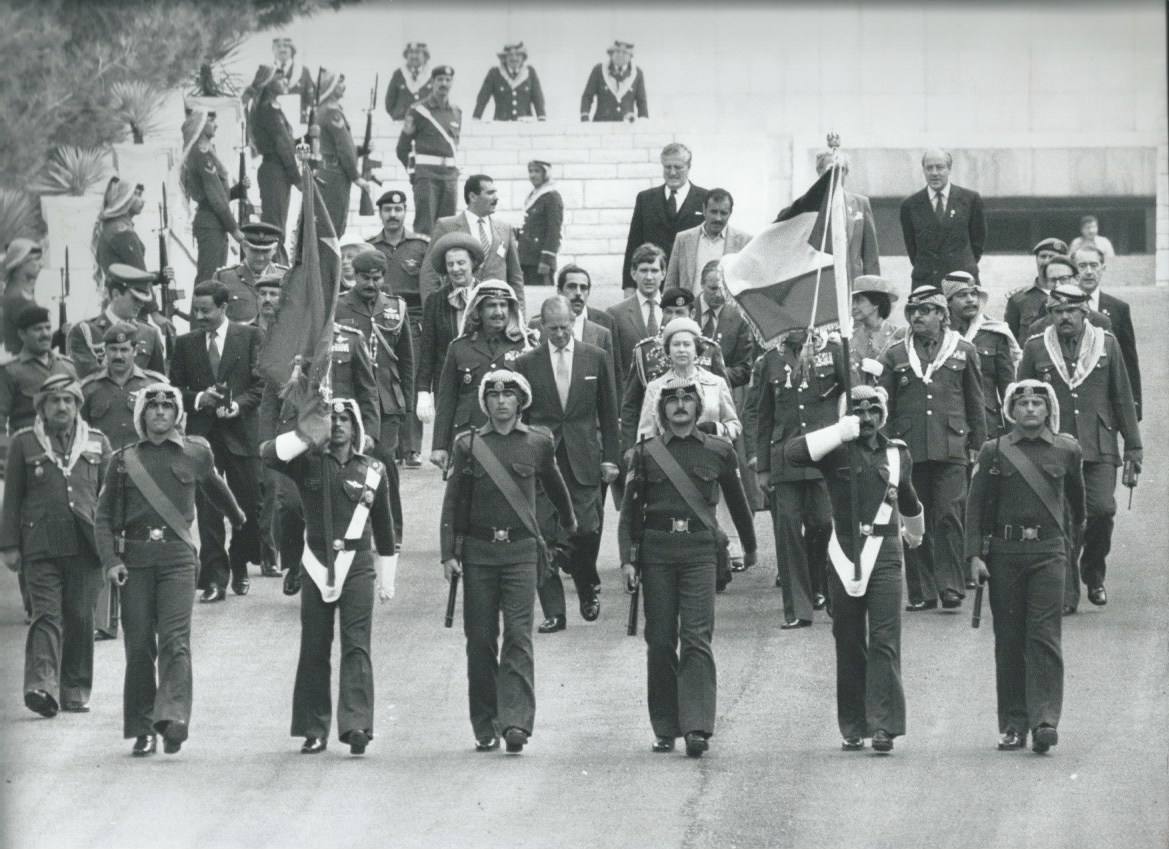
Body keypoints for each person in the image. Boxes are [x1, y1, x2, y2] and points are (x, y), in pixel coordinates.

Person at [94, 382, 245, 756]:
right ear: (141, 415)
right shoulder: (123, 460)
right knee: (140, 645)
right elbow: (103, 518)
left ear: (177, 414)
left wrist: (240, 518)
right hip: (135, 562)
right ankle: (143, 728)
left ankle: (173, 719)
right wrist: (111, 562)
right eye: (152, 407)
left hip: (178, 559)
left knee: (176, 641)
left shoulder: (196, 452)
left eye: (167, 406)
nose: (160, 412)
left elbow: (215, 487)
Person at [439, 369, 576, 753]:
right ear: (485, 402)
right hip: (480, 555)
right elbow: (452, 503)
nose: (501, 401)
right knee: (480, 640)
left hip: (520, 554)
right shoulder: (467, 445)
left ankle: (516, 722)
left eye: (509, 395)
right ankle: (486, 723)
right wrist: (449, 553)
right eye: (494, 395)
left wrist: (568, 524)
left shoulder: (538, 442)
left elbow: (554, 484)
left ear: (521, 401)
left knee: (518, 636)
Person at [619, 378, 755, 757]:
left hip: (699, 551)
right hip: (657, 552)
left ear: (699, 407)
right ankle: (665, 726)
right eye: (672, 400)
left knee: (696, 636)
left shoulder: (718, 451)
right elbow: (630, 512)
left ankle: (697, 727)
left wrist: (751, 546)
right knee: (660, 641)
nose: (680, 405)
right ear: (661, 410)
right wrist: (627, 560)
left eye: (687, 399)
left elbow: (739, 503)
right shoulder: (644, 454)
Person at [784, 386, 924, 753]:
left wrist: (916, 532)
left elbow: (907, 496)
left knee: (884, 638)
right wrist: (837, 432)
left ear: (883, 414)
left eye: (873, 410)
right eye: (858, 411)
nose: (866, 418)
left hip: (886, 553)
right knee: (847, 640)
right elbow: (793, 454)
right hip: (844, 553)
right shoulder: (835, 450)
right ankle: (854, 724)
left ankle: (884, 727)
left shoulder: (897, 454)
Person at [261, 397, 396, 755]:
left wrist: (388, 578)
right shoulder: (306, 464)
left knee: (356, 645)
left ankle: (357, 726)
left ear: (355, 427)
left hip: (358, 565)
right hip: (316, 563)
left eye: (344, 420)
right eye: (330, 419)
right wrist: (306, 435)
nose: (337, 425)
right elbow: (268, 454)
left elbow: (385, 528)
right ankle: (313, 728)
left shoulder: (374, 470)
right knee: (315, 645)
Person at [966, 380, 1085, 754]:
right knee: (1010, 640)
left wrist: (1067, 550)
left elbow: (1077, 509)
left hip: (1049, 553)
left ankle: (1045, 721)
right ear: (1011, 412)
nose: (1031, 409)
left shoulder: (1067, 450)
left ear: (1049, 409)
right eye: (1023, 404)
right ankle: (1014, 724)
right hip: (1004, 555)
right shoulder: (994, 451)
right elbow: (975, 505)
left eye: (1038, 403)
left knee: (1045, 637)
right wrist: (974, 556)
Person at [1017, 284, 1141, 614]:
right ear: (1050, 315)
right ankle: (1067, 593)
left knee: (1102, 510)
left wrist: (1133, 447)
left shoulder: (1107, 345)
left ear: (1085, 311)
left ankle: (1093, 572)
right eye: (1057, 311)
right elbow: (1019, 400)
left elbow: (1122, 398)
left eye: (1071, 310)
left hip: (1099, 444)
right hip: (1054, 446)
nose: (1064, 317)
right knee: (1063, 520)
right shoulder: (1035, 348)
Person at [0, 374, 110, 717]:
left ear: (78, 404)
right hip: (40, 546)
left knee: (80, 617)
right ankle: (41, 686)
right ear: (42, 408)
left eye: (68, 400)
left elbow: (110, 499)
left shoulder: (96, 441)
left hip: (85, 545)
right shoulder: (24, 443)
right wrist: (9, 546)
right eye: (53, 401)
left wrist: (114, 547)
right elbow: (12, 499)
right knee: (46, 615)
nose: (61, 406)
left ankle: (74, 689)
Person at [877, 284, 985, 610]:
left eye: (924, 311)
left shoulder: (964, 350)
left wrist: (978, 445)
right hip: (909, 448)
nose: (917, 317)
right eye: (912, 312)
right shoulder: (894, 354)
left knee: (950, 514)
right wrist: (884, 448)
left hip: (953, 445)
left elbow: (975, 401)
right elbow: (886, 406)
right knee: (914, 518)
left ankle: (951, 586)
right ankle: (923, 590)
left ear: (941, 314)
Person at [515, 296, 619, 633]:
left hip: (584, 457)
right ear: (541, 326)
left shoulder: (596, 357)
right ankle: (555, 612)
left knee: (586, 529)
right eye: (553, 328)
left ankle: (587, 583)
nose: (560, 334)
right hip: (544, 461)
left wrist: (610, 458)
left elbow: (609, 411)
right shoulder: (527, 363)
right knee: (542, 536)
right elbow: (524, 416)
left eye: (565, 327)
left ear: (574, 322)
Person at [261, 318, 379, 598]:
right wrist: (266, 440)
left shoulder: (350, 339)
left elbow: (367, 389)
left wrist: (370, 430)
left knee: (341, 504)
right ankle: (293, 564)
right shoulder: (285, 340)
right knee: (289, 505)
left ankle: (343, 568)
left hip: (341, 434)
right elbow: (270, 398)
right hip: (297, 437)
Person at [168, 282, 264, 601]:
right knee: (208, 510)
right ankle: (214, 580)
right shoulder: (185, 343)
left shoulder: (250, 337)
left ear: (224, 308)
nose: (198, 316)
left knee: (248, 506)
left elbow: (261, 385)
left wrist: (238, 405)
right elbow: (174, 389)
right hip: (201, 437)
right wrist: (199, 399)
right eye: (196, 310)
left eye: (205, 310)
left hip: (240, 435)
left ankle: (239, 564)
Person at [753, 328, 847, 627]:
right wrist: (763, 467)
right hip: (785, 457)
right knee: (788, 530)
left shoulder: (833, 351)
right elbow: (763, 415)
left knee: (823, 523)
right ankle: (798, 610)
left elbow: (851, 401)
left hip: (826, 456)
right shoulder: (770, 360)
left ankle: (823, 584)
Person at [80, 323, 168, 639]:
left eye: (124, 349)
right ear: (104, 351)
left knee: (146, 543)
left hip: (142, 477)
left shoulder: (154, 385)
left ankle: (150, 613)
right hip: (103, 478)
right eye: (112, 349)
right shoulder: (88, 389)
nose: (118, 355)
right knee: (103, 542)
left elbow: (168, 428)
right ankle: (104, 622)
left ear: (135, 350)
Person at [335, 249, 414, 547]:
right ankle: (353, 527)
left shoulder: (396, 308)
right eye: (364, 277)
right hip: (350, 398)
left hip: (386, 401)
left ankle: (392, 530)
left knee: (382, 460)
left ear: (384, 277)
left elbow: (406, 359)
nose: (370, 283)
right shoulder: (339, 306)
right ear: (354, 276)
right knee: (351, 463)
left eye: (376, 278)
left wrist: (407, 400)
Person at [430, 280, 535, 465]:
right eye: (491, 306)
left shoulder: (526, 347)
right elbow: (447, 399)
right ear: (478, 310)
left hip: (512, 437)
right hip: (469, 437)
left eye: (503, 305)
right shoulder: (459, 348)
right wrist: (439, 445)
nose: (498, 312)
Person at [414, 233, 485, 442]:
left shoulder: (488, 294)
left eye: (461, 262)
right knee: (452, 439)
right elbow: (428, 348)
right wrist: (423, 391)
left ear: (473, 263)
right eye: (451, 264)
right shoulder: (436, 301)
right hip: (448, 381)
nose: (456, 269)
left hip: (482, 377)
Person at [420, 174, 525, 311]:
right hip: (458, 308)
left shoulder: (505, 229)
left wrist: (520, 315)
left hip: (496, 311)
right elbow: (429, 273)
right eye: (490, 193)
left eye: (495, 192)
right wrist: (432, 312)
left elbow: (515, 277)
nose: (496, 198)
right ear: (473, 197)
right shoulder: (447, 226)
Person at [943, 271, 1020, 440]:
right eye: (963, 295)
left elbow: (1008, 388)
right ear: (948, 302)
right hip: (949, 428)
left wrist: (1013, 433)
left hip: (988, 425)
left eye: (974, 294)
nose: (971, 300)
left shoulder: (994, 333)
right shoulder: (941, 335)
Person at [622, 144, 708, 293]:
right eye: (667, 167)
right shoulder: (646, 199)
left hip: (689, 285)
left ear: (689, 166)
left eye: (678, 167)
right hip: (652, 283)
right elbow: (634, 244)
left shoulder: (704, 199)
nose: (672, 172)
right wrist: (629, 286)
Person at [1071, 246, 1141, 420]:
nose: (1088, 272)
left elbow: (1128, 360)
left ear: (1103, 268)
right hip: (1070, 400)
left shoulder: (1118, 309)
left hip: (1105, 400)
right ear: (1073, 270)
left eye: (1094, 265)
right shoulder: (1059, 308)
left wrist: (1134, 405)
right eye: (1082, 266)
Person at [899, 148, 987, 287]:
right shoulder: (910, 205)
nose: (934, 173)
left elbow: (978, 240)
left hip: (962, 280)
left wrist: (962, 264)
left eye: (939, 167)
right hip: (927, 281)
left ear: (949, 168)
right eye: (929, 168)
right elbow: (912, 247)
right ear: (923, 170)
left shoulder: (970, 199)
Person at [180, 110, 247, 285]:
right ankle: (198, 313)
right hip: (211, 223)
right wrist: (234, 228)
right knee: (208, 280)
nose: (215, 124)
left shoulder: (207, 152)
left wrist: (239, 189)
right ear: (200, 125)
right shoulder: (201, 154)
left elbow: (218, 194)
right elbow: (215, 198)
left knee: (215, 280)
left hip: (215, 223)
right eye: (211, 120)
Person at [66, 264, 166, 379]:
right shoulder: (84, 332)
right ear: (116, 295)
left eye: (143, 299)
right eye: (136, 298)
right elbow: (84, 379)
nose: (141, 304)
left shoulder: (150, 334)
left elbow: (158, 384)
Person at [395, 65, 461, 236]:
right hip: (426, 178)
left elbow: (454, 146)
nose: (444, 83)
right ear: (432, 82)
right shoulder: (418, 110)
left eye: (448, 80)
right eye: (440, 79)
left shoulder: (456, 112)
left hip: (450, 177)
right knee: (425, 226)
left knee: (448, 226)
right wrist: (414, 173)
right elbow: (402, 147)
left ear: (452, 83)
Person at [1, 306, 79, 433]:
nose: (45, 334)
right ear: (22, 334)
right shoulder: (9, 371)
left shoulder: (68, 367)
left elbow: (79, 412)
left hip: (66, 448)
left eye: (48, 328)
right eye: (38, 329)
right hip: (29, 448)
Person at [315, 69, 371, 238]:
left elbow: (339, 147)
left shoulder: (326, 109)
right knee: (334, 226)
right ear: (331, 86)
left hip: (330, 172)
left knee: (330, 224)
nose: (343, 86)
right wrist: (356, 177)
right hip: (335, 175)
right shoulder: (332, 111)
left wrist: (361, 150)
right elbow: (344, 147)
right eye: (339, 82)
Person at [664, 189, 752, 294]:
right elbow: (671, 282)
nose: (718, 218)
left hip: (727, 309)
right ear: (704, 210)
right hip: (691, 307)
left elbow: (749, 285)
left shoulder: (745, 242)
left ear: (730, 213)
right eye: (713, 212)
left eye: (723, 213)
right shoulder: (683, 239)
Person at [249, 65, 300, 236]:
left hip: (278, 172)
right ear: (267, 82)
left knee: (278, 227)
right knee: (275, 229)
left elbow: (287, 142)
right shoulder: (268, 111)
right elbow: (283, 146)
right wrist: (297, 178)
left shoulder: (273, 110)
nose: (285, 81)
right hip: (275, 172)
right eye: (279, 77)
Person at [815, 149, 880, 281]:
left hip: (853, 285)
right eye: (831, 169)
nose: (837, 174)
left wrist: (873, 294)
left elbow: (870, 258)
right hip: (820, 284)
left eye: (842, 169)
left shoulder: (861, 204)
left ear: (846, 172)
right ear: (819, 172)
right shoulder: (808, 207)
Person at [608, 243, 667, 379]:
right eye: (643, 270)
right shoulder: (616, 314)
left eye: (654, 271)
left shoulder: (674, 311)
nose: (649, 277)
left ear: (663, 273)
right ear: (633, 273)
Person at [210, 222, 288, 324]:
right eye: (255, 251)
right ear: (244, 247)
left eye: (265, 252)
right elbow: (213, 321)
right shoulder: (223, 278)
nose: (260, 258)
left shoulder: (286, 278)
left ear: (274, 250)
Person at [1004, 238, 1069, 343]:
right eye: (1043, 256)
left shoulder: (1073, 296)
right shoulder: (1019, 299)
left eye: (1052, 257)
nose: (1046, 261)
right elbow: (1010, 341)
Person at [517, 160, 563, 289]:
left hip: (540, 261)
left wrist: (546, 260)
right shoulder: (534, 195)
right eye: (530, 171)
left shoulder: (551, 196)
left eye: (537, 171)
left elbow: (554, 231)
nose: (533, 175)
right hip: (527, 259)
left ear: (545, 174)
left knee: (541, 296)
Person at [473, 42, 546, 121]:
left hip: (525, 125)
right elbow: (483, 98)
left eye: (518, 55)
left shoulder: (530, 73)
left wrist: (541, 117)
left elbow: (538, 98)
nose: (514, 58)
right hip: (501, 125)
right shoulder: (494, 73)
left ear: (523, 58)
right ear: (504, 58)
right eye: (510, 55)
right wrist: (476, 117)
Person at [580, 40, 647, 123]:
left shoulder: (637, 73)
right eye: (617, 51)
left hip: (626, 128)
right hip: (601, 126)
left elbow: (641, 102)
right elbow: (587, 96)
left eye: (624, 52)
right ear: (611, 54)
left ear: (630, 56)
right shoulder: (599, 70)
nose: (620, 55)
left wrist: (644, 124)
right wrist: (584, 117)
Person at [850, 275, 900, 382]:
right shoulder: (850, 337)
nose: (853, 306)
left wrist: (883, 372)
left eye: (859, 301)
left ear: (876, 303)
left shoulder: (898, 335)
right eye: (853, 301)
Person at [2, 239, 43, 358]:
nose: (41, 264)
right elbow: (34, 343)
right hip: (23, 364)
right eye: (36, 259)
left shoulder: (16, 290)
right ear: (20, 263)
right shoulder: (18, 298)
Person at [385, 42, 433, 121]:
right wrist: (397, 114)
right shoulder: (398, 74)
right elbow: (389, 101)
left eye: (417, 52)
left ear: (425, 55)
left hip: (426, 123)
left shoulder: (432, 75)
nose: (413, 56)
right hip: (401, 122)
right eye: (410, 52)